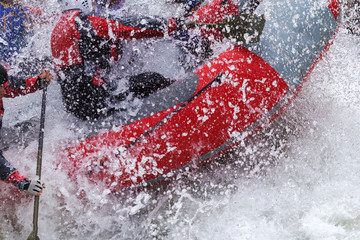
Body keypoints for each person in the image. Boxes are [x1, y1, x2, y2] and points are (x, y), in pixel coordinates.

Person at [51, 0, 205, 120]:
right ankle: (190, 103)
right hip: (96, 99)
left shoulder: (60, 28)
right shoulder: (80, 21)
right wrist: (172, 25)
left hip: (78, 104)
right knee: (152, 80)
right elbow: (128, 27)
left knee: (130, 82)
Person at [0, 64, 52, 196]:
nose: (6, 92)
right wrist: (22, 182)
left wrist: (37, 82)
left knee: (27, 130)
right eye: (2, 88)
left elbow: (14, 87)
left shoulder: (3, 87)